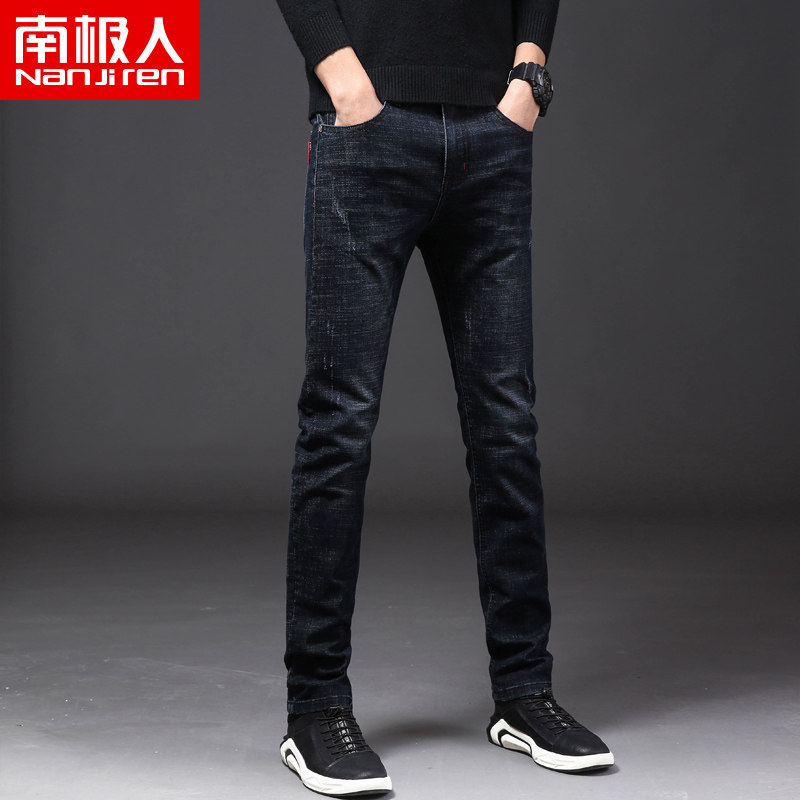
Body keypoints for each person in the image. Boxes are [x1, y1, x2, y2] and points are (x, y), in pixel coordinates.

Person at [274, 0, 614, 794]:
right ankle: (315, 707)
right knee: (339, 423)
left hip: (493, 133)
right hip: (368, 126)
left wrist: (528, 78)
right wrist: (344, 80)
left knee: (507, 424)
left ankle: (524, 692)